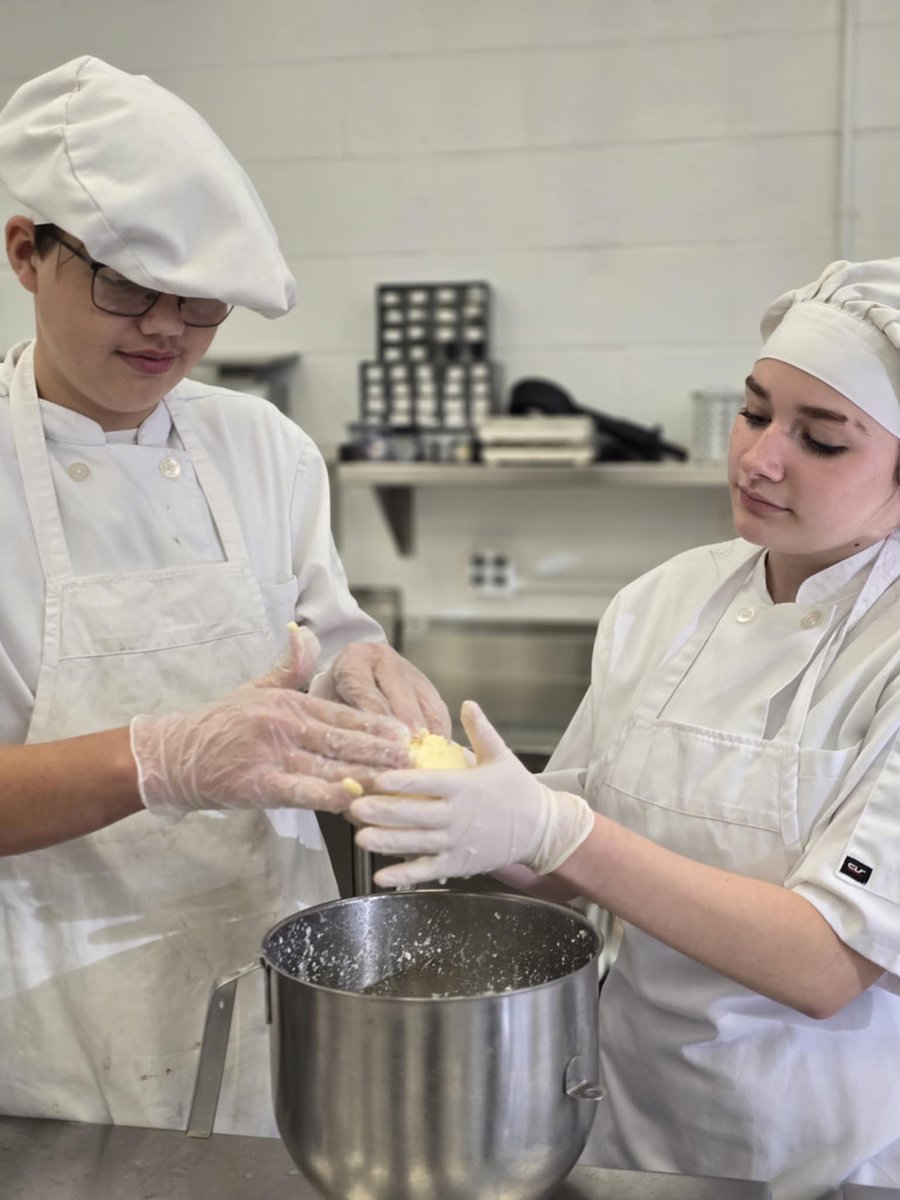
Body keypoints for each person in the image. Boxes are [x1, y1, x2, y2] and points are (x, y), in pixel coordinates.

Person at [350, 258, 900, 1199]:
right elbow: (571, 863)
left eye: (820, 439)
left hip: (830, 1162)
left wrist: (554, 828)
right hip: (625, 1134)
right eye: (755, 412)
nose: (760, 458)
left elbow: (827, 963)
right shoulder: (664, 603)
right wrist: (428, 784)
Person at [0, 56, 449, 1136]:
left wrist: (361, 677)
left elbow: (322, 648)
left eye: (201, 301)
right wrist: (155, 761)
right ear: (25, 251)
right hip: (41, 1015)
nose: (167, 328)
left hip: (262, 998)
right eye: (127, 285)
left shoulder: (265, 449)